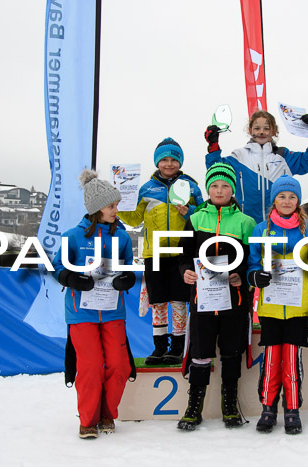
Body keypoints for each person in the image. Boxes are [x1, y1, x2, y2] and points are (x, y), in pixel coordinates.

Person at [53, 169, 137, 439]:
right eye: (111, 205)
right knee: (90, 366)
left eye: (116, 205)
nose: (116, 210)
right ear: (96, 208)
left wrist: (126, 280)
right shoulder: (73, 237)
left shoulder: (122, 237)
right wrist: (71, 279)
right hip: (81, 313)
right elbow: (57, 266)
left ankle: (106, 413)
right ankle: (87, 420)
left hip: (113, 311)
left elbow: (128, 270)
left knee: (119, 364)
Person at [176, 162, 257, 430]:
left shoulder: (246, 222)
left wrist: (240, 275)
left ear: (232, 190)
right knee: (200, 352)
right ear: (208, 189)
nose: (219, 190)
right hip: (203, 299)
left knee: (231, 353)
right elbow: (184, 255)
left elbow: (250, 260)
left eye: (224, 186)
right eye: (214, 185)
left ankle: (230, 407)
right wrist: (187, 271)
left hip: (234, 299)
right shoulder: (196, 218)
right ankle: (193, 407)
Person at [247, 175, 308, 435]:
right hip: (270, 307)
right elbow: (252, 262)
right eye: (281, 196)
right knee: (271, 360)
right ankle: (268, 408)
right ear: (274, 200)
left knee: (292, 361)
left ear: (299, 201)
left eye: (292, 196)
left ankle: (292, 409)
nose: (286, 201)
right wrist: (254, 275)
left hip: (298, 307)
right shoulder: (262, 229)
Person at [117, 138, 203, 365]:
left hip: (181, 253)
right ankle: (159, 347)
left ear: (180, 162)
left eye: (174, 159)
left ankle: (177, 347)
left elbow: (204, 214)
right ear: (157, 162)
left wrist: (189, 210)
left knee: (178, 301)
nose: (169, 164)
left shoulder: (191, 186)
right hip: (153, 253)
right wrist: (121, 206)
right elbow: (134, 219)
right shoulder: (145, 188)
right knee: (158, 302)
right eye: (164, 159)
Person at [205, 110, 308, 223]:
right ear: (250, 130)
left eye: (266, 128)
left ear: (273, 131)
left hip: (278, 225)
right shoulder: (239, 156)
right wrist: (213, 145)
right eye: (257, 128)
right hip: (245, 223)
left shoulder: (284, 156)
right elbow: (216, 170)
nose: (261, 132)